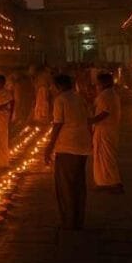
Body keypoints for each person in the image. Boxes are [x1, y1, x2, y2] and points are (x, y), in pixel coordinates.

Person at [43, 74, 92, 230]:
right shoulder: (79, 98)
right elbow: (88, 119)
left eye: (53, 85)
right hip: (83, 146)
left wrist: (49, 146)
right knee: (79, 184)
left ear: (59, 86)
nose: (51, 88)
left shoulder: (60, 100)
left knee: (65, 185)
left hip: (67, 147)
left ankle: (69, 220)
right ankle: (78, 219)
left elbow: (58, 124)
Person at [89, 73, 123, 193]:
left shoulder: (106, 95)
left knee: (107, 157)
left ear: (103, 83)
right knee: (101, 156)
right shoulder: (110, 94)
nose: (96, 86)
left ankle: (114, 183)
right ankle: (103, 182)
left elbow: (105, 113)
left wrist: (90, 121)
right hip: (105, 129)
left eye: (98, 84)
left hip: (105, 130)